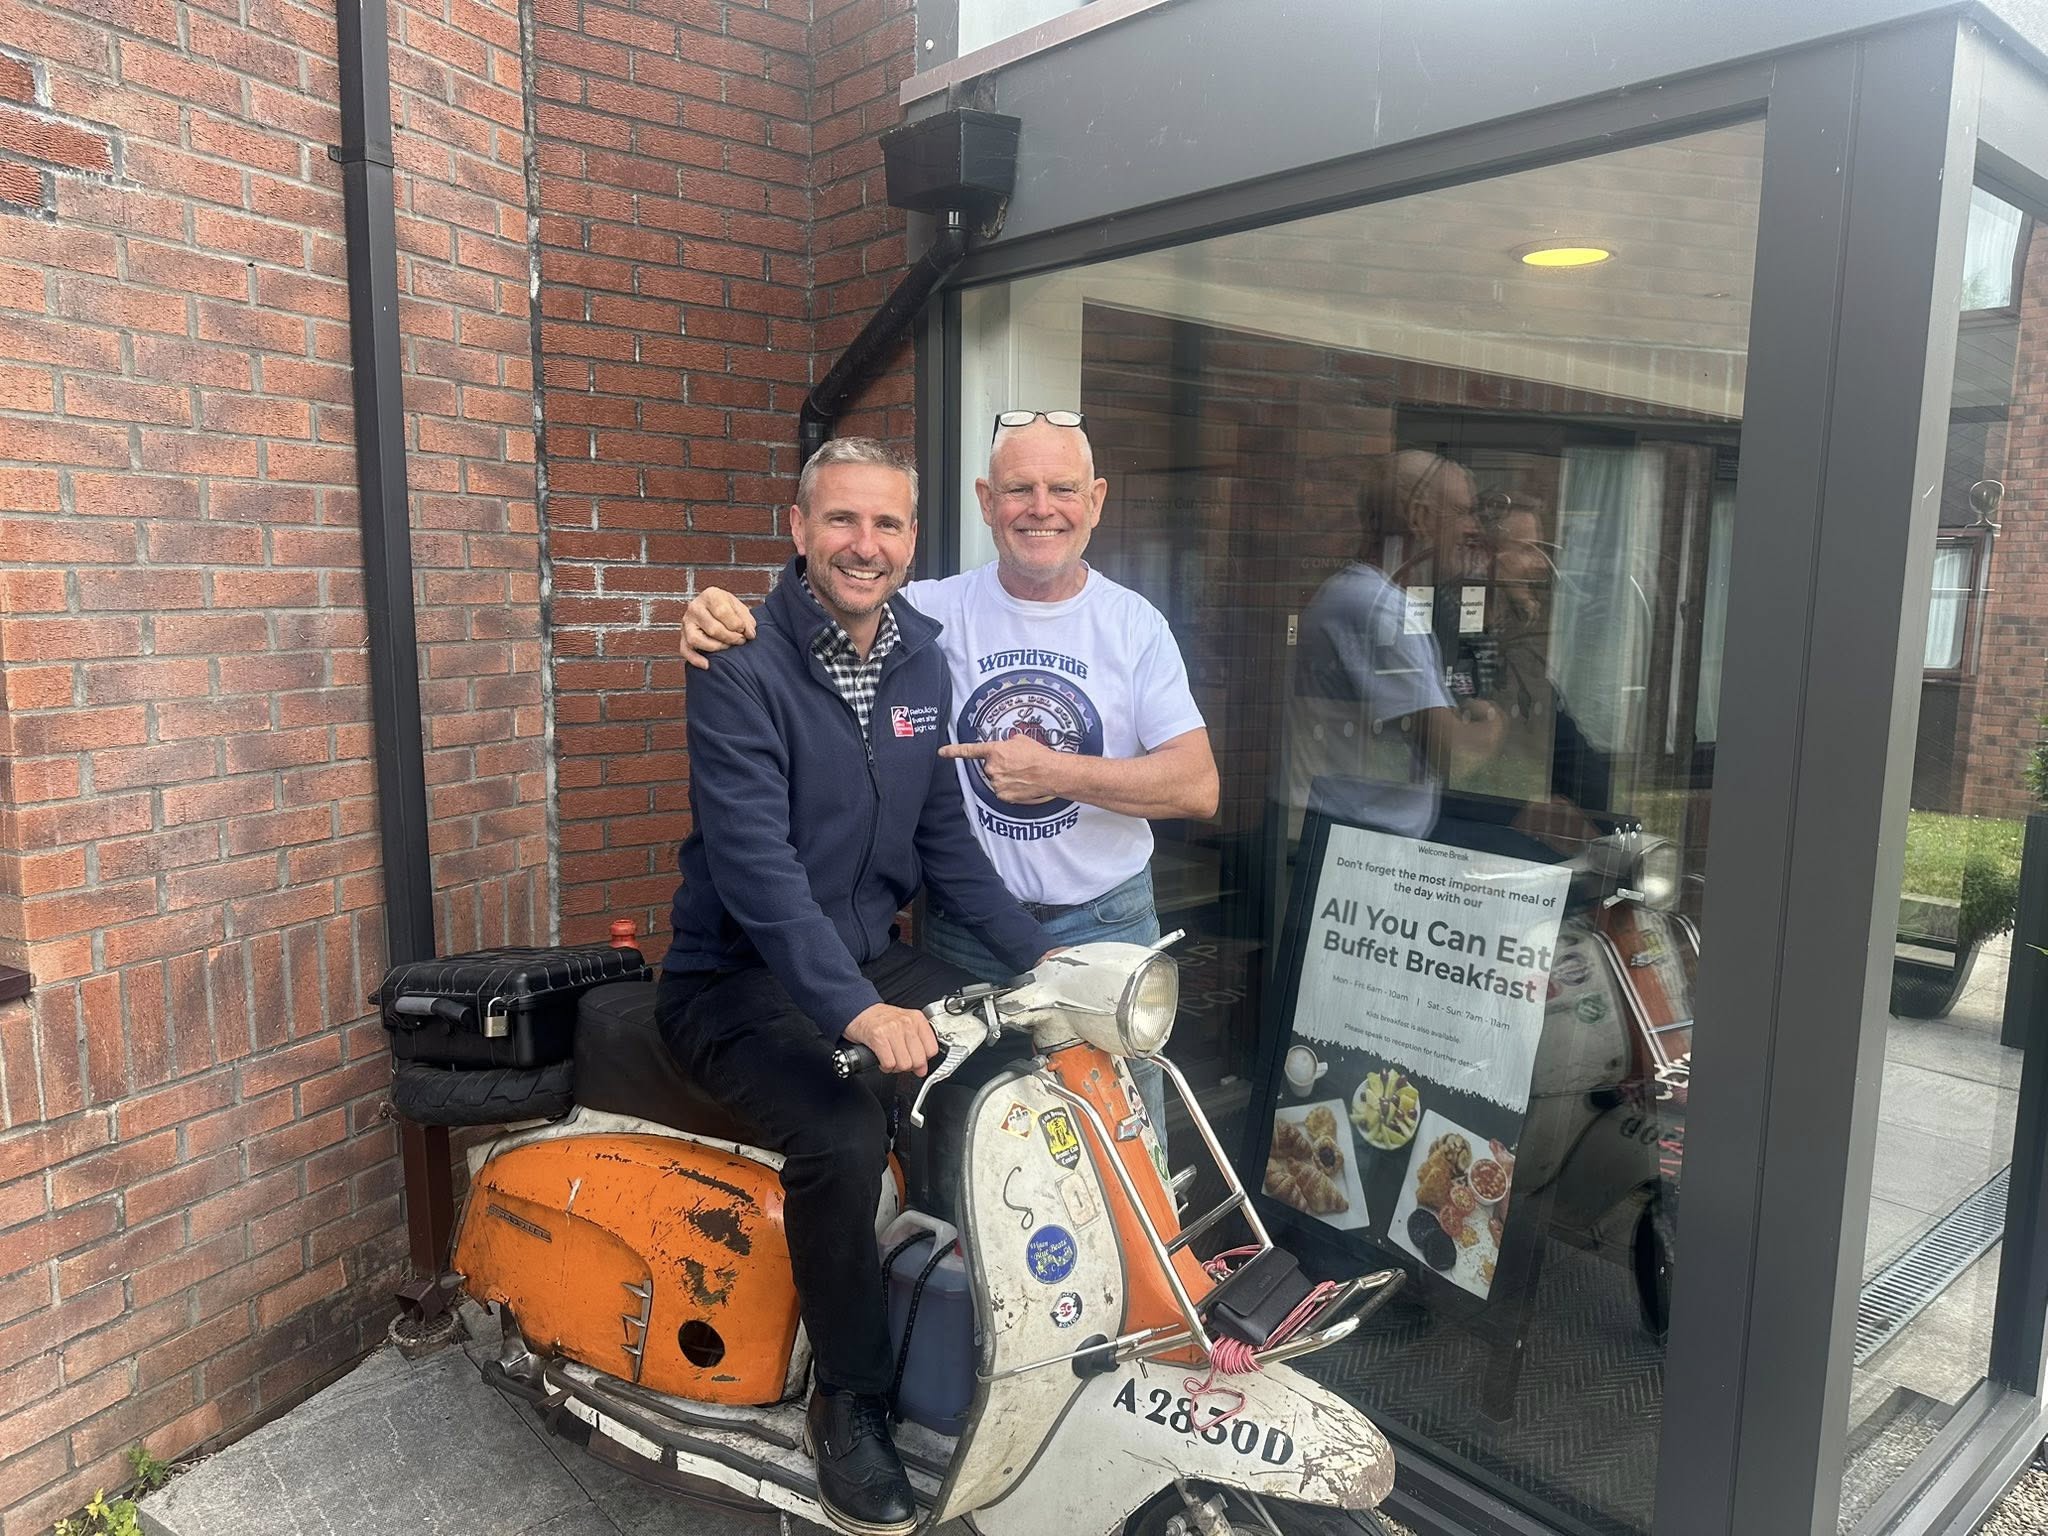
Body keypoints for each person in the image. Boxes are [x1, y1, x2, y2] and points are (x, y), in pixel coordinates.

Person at [659, 437, 1055, 1536]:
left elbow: (945, 840)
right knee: (836, 1132)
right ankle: (851, 1393)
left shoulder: (923, 664)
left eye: (886, 526)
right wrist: (856, 1007)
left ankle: (987, 1316)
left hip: (863, 959)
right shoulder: (738, 663)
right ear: (798, 529)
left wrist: (1041, 959)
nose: (862, 546)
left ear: (913, 542)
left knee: (1013, 1060)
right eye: (840, 521)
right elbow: (753, 869)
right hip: (731, 981)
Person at [681, 411, 1219, 1147]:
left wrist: (1054, 772)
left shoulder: (1132, 625)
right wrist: (718, 612)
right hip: (964, 931)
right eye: (1017, 488)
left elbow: (1198, 788)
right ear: (984, 502)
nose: (1040, 507)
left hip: (1104, 922)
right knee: (981, 1121)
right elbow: (833, 596)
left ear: (1094, 500)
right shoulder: (930, 617)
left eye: (1062, 488)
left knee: (1125, 1127)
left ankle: (1142, 1261)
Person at [1280, 449, 1505, 840]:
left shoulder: (1377, 598)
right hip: (1350, 845)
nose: (1475, 529)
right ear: (1419, 518)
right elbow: (1455, 755)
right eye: (1465, 513)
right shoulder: (1377, 608)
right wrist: (1494, 723)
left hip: (1353, 834)